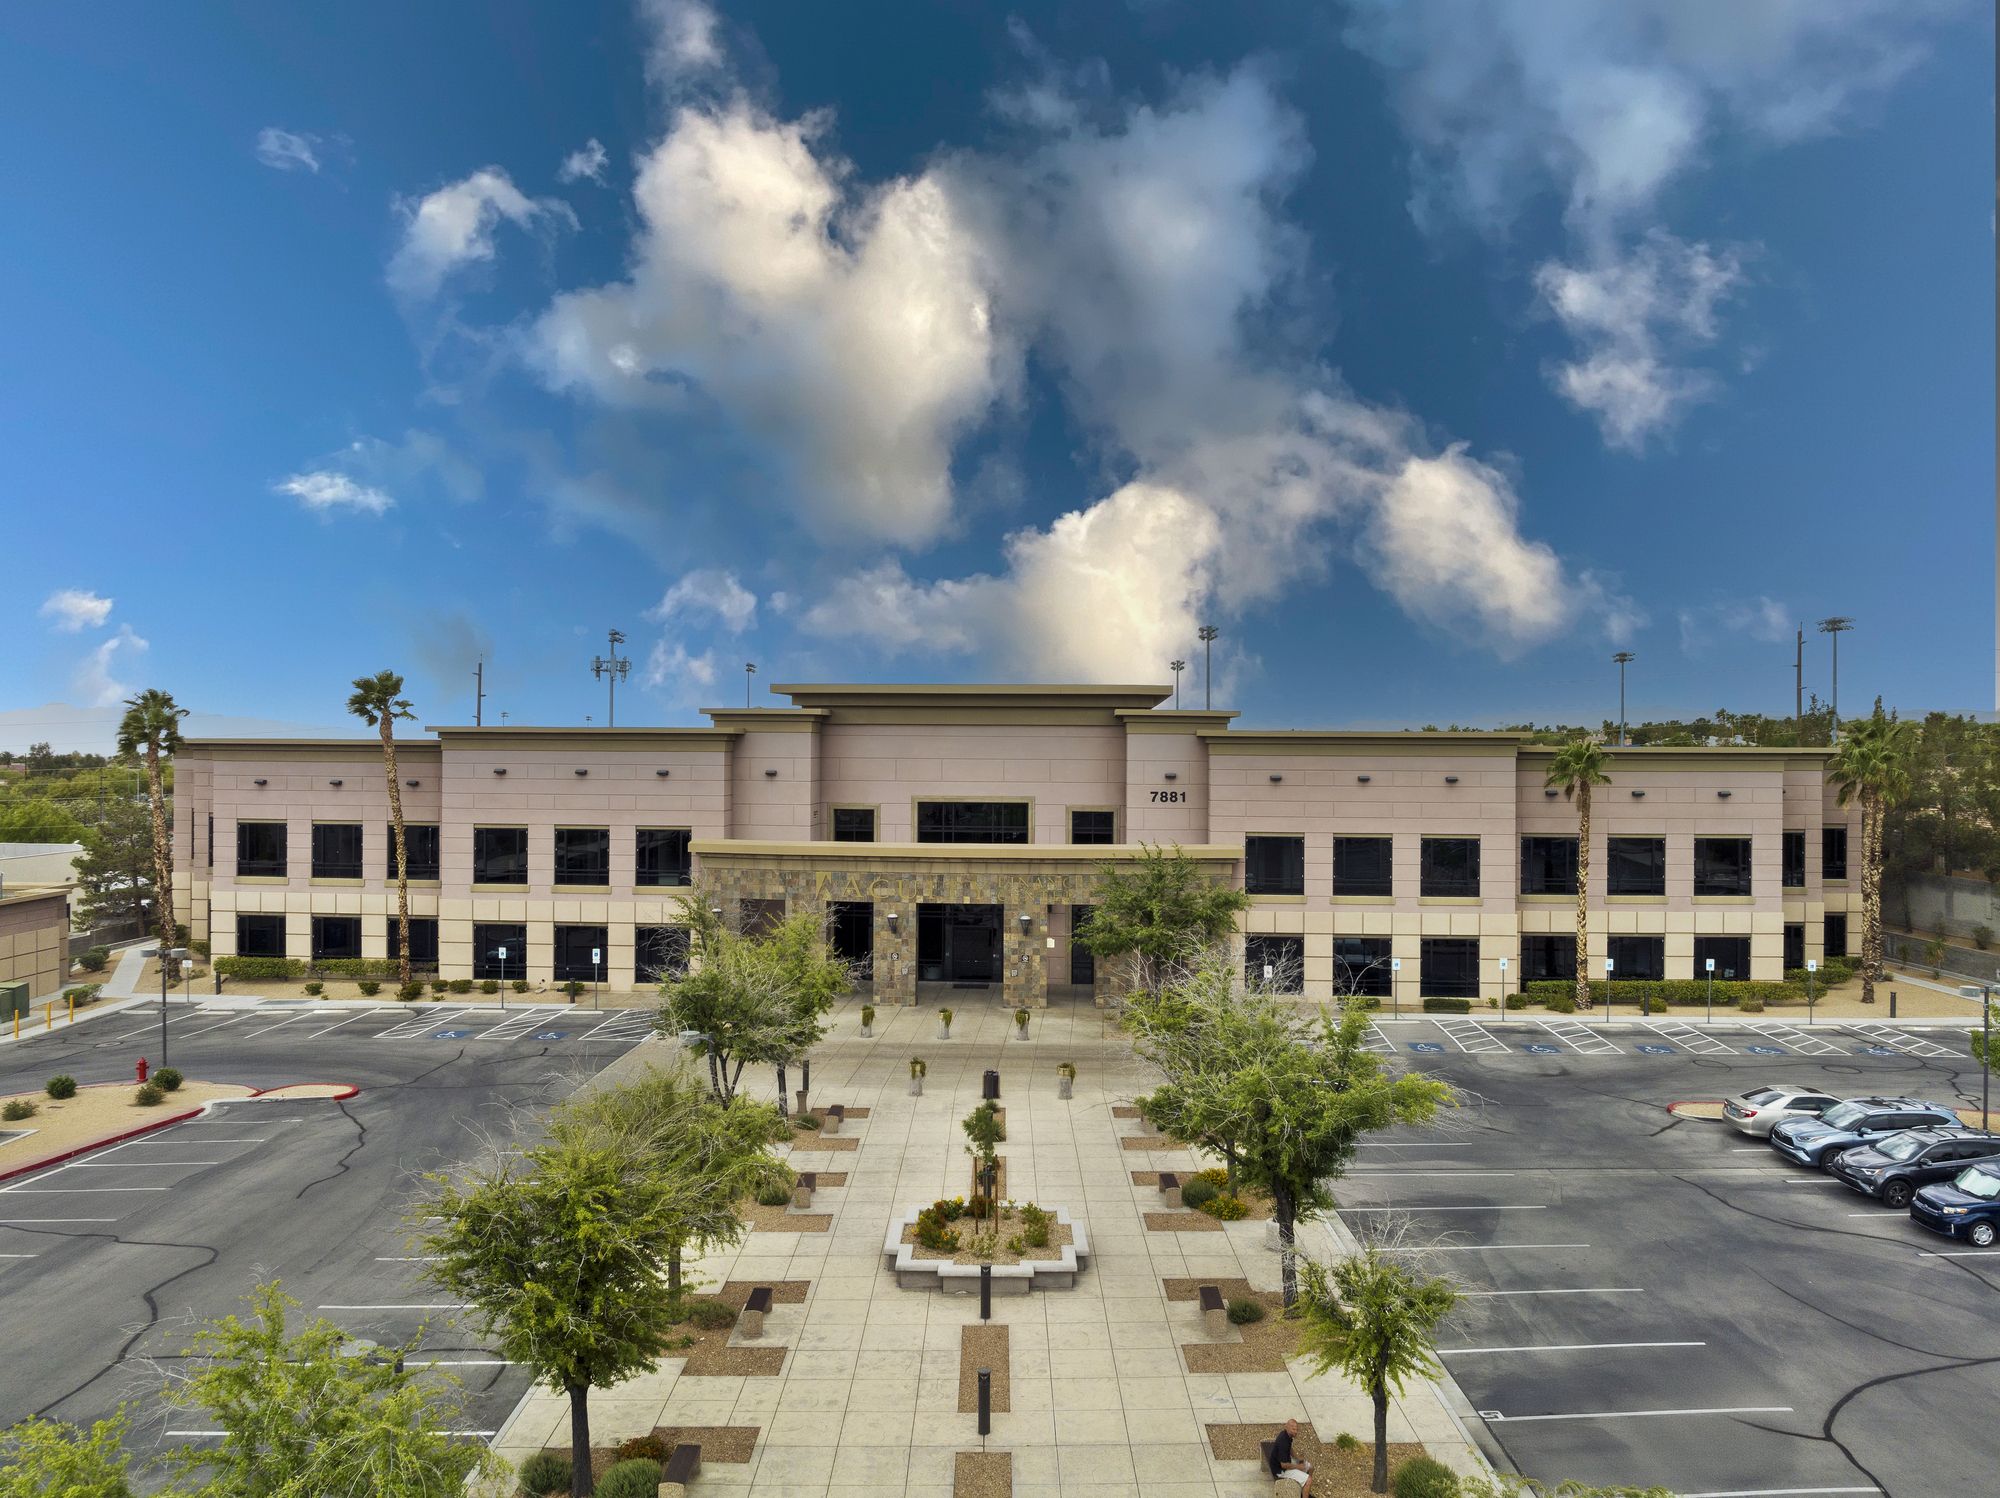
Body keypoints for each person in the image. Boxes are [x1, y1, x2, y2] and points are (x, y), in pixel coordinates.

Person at [1268, 1418, 1312, 1492]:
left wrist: (1297, 1458)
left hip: (1285, 1462)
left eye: (1297, 1429)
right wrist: (1298, 1467)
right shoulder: (1283, 1442)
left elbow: (1290, 1448)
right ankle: (1306, 1484)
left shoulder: (1286, 1435)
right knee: (1309, 1480)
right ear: (1287, 1427)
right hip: (1279, 1470)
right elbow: (1284, 1465)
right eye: (1293, 1429)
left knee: (1310, 1467)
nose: (1296, 1432)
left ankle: (1305, 1487)